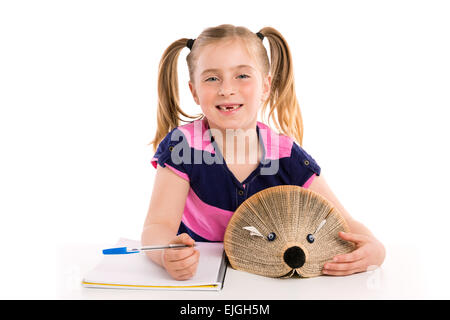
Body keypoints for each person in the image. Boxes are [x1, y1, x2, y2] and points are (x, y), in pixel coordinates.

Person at [141, 24, 385, 280]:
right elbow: (157, 226)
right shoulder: (183, 147)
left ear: (265, 86)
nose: (227, 89)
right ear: (193, 91)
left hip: (267, 279)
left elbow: (343, 221)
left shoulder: (285, 155)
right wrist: (166, 253)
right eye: (212, 78)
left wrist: (374, 248)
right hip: (201, 276)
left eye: (242, 76)